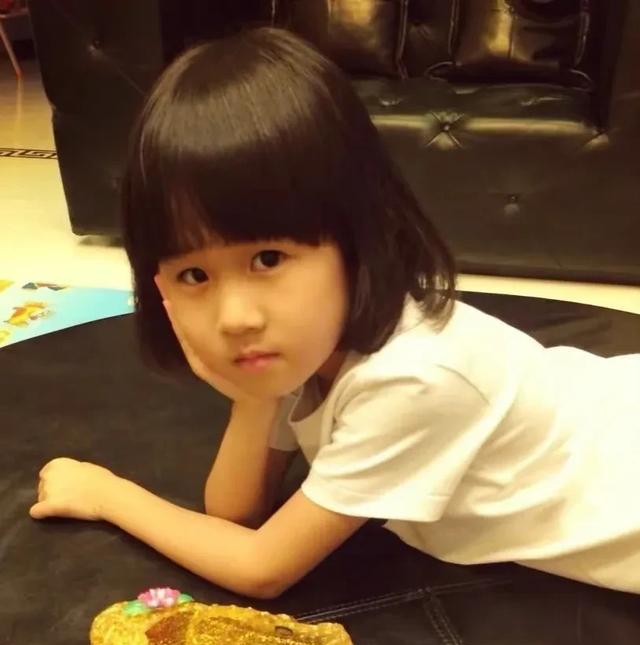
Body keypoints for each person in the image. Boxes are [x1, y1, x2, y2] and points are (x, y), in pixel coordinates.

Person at [31, 27, 640, 598]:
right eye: (195, 275)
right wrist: (255, 397)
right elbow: (235, 510)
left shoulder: (414, 377)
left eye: (268, 258)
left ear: (358, 238)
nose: (235, 317)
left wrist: (108, 496)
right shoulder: (310, 344)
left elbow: (262, 567)